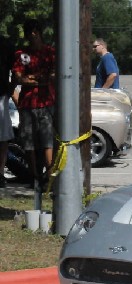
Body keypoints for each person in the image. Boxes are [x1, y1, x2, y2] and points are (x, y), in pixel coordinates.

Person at [12, 19, 56, 185]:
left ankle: (50, 177)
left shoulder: (50, 52)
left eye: (32, 33)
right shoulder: (22, 54)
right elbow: (18, 78)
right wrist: (38, 79)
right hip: (27, 103)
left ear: (37, 33)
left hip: (47, 102)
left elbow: (52, 76)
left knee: (47, 141)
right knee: (28, 143)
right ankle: (35, 176)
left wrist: (31, 77)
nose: (30, 37)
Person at [0, 35, 16, 188]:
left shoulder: (5, 44)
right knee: (3, 138)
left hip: (2, 95)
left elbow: (16, 71)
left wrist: (10, 89)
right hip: (3, 94)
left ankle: (0, 173)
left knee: (3, 138)